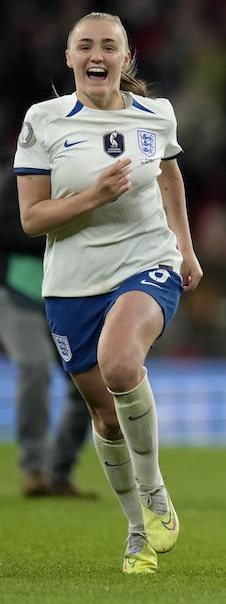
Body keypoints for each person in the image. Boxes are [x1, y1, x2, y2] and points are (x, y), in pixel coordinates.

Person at [14, 12, 201, 574]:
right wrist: (93, 196)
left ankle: (154, 492)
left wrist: (185, 247)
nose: (97, 55)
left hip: (147, 263)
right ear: (70, 58)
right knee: (106, 418)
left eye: (109, 46)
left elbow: (169, 177)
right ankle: (138, 531)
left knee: (121, 364)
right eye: (86, 46)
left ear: (125, 58)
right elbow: (32, 219)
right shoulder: (43, 120)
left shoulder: (157, 114)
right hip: (71, 284)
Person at [0, 162, 94, 498]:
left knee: (90, 382)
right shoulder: (16, 177)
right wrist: (61, 225)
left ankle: (58, 472)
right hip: (18, 291)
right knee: (34, 366)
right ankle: (34, 469)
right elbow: (10, 228)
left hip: (69, 293)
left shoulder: (84, 169)